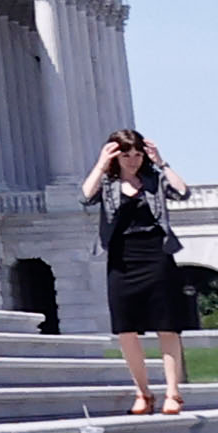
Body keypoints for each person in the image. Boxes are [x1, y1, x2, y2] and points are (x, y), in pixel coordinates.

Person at [79, 131, 192, 416]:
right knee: (126, 328)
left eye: (137, 155)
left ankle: (173, 392)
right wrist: (101, 163)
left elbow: (183, 192)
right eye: (126, 155)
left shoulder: (153, 180)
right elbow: (84, 195)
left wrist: (162, 163)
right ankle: (142, 392)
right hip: (122, 258)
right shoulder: (108, 182)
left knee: (166, 325)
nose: (132, 161)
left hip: (156, 254)